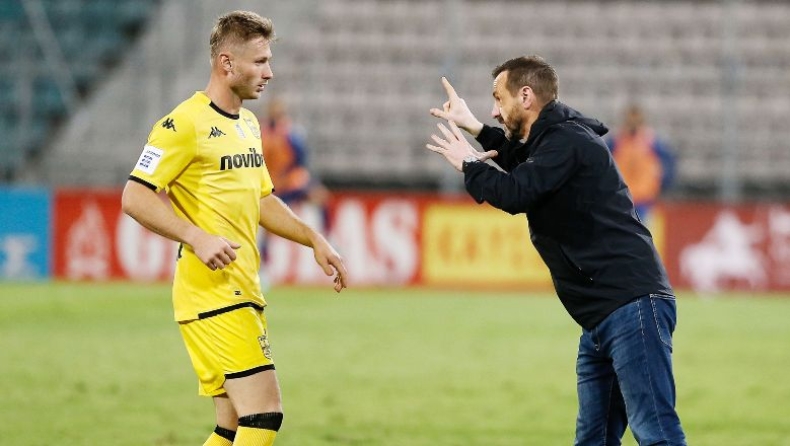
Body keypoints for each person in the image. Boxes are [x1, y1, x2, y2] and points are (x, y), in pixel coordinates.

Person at [427, 56, 686, 445]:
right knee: (594, 439)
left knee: (656, 433)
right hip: (603, 314)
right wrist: (476, 128)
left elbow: (516, 192)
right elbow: (525, 164)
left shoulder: (567, 141)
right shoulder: (558, 140)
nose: (494, 111)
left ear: (526, 96)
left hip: (629, 307)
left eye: (498, 99)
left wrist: (470, 165)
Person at [121, 11, 348, 446]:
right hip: (212, 293)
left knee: (230, 427)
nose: (269, 73)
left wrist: (313, 238)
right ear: (227, 63)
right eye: (260, 62)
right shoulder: (182, 124)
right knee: (264, 415)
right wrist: (196, 236)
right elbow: (135, 195)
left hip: (239, 288)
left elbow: (261, 199)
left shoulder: (247, 124)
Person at [257, 98, 330, 288]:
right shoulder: (261, 132)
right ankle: (262, 268)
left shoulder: (289, 133)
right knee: (265, 229)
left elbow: (300, 161)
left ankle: (329, 237)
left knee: (319, 197)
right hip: (270, 185)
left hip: (287, 184)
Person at [606, 104, 676, 223]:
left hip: (645, 200)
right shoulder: (615, 141)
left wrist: (663, 185)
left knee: (644, 230)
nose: (633, 123)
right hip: (621, 199)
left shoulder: (652, 141)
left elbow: (669, 164)